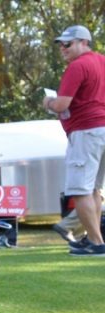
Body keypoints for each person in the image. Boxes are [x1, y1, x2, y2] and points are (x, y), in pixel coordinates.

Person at [43, 25, 105, 256]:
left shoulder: (77, 66)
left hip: (86, 132)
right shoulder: (102, 61)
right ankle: (93, 239)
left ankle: (98, 244)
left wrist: (48, 102)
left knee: (80, 191)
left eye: (67, 44)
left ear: (83, 42)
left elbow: (61, 105)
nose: (63, 48)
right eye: (61, 44)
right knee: (94, 190)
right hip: (101, 129)